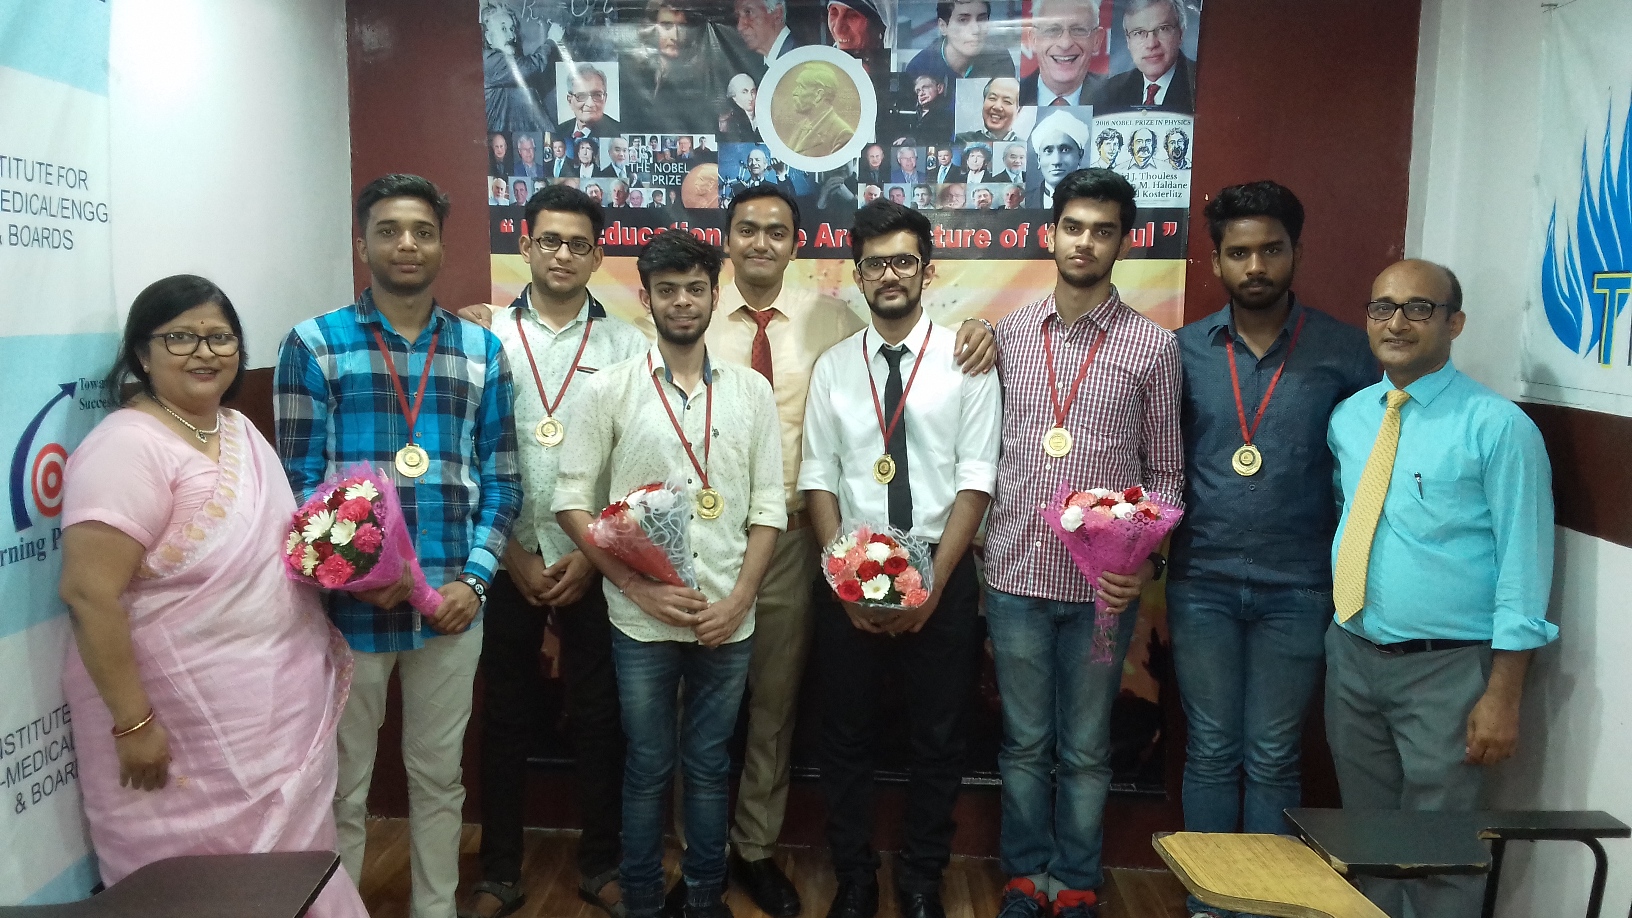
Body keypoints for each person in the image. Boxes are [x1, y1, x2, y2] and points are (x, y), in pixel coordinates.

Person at [58, 275, 369, 918]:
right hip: (174, 736)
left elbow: (273, 551)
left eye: (220, 338)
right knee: (192, 892)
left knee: (293, 877)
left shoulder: (238, 430)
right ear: (141, 353)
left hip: (272, 722)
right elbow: (89, 595)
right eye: (180, 337)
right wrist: (134, 723)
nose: (204, 352)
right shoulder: (125, 447)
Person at [274, 174, 522, 918]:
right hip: (347, 613)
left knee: (440, 778)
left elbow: (502, 480)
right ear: (363, 244)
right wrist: (354, 576)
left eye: (422, 231)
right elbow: (297, 485)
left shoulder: (481, 350)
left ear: (442, 245)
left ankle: (434, 909)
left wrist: (474, 583)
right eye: (388, 230)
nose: (406, 244)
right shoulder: (314, 344)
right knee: (343, 785)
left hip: (450, 607)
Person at [554, 229, 786, 918]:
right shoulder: (609, 390)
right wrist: (633, 587)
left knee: (710, 764)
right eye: (667, 290)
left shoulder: (751, 391)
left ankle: (707, 898)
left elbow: (769, 508)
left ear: (715, 295)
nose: (682, 302)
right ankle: (643, 900)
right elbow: (571, 500)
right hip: (640, 620)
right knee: (648, 764)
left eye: (694, 289)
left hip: (726, 616)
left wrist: (740, 599)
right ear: (646, 299)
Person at [1168, 182, 1376, 918]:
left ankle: (1264, 906)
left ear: (1296, 252)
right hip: (1202, 582)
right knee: (1211, 748)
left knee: (1274, 755)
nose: (1255, 265)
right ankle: (1208, 904)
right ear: (1216, 262)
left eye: (1270, 249)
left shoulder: (1348, 352)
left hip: (1301, 587)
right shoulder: (1184, 351)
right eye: (1238, 252)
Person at [1325, 259, 1557, 918]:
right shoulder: (1349, 418)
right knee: (1365, 843)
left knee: (1442, 854)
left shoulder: (1499, 428)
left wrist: (1504, 693)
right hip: (1353, 655)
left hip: (1449, 671)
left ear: (1454, 323)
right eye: (1383, 307)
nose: (1397, 322)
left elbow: (1525, 567)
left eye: (1419, 308)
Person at [985, 169, 1182, 918]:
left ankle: (1076, 881)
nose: (1085, 242)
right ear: (1051, 234)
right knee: (1024, 743)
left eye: (1103, 231)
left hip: (1104, 594)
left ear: (1124, 243)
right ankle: (1023, 876)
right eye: (1073, 227)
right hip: (1014, 579)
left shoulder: (1152, 347)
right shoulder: (1008, 335)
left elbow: (1167, 476)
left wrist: (1145, 561)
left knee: (1088, 748)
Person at [801, 200, 1001, 918]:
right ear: (857, 275)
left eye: (903, 261)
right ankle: (854, 877)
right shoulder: (834, 367)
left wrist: (934, 586)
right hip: (850, 568)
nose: (890, 275)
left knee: (939, 738)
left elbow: (977, 478)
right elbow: (819, 477)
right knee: (844, 736)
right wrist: (843, 578)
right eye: (875, 264)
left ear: (927, 270)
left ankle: (922, 879)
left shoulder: (965, 361)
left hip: (942, 567)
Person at [463, 186, 652, 918]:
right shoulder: (486, 337)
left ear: (598, 256)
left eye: (578, 244)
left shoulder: (627, 344)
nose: (563, 255)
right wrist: (510, 552)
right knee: (505, 713)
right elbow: (469, 449)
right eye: (550, 241)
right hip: (506, 551)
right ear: (526, 248)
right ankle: (500, 871)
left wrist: (592, 553)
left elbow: (637, 460)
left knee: (602, 714)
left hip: (592, 557)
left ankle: (602, 863)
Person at [1100, 0, 1196, 113]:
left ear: (1180, 34)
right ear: (1128, 40)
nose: (1151, 44)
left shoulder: (1200, 82)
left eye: (1163, 29)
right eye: (1139, 32)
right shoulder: (1111, 91)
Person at [483, 2, 559, 134]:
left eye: (512, 29)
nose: (511, 36)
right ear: (489, 38)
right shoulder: (490, 61)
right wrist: (551, 40)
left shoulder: (509, 65)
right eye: (503, 29)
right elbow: (532, 66)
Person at [904, 0, 1016, 86]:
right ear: (943, 26)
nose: (976, 29)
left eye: (982, 19)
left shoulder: (1000, 60)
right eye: (963, 20)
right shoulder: (919, 68)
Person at [1019, 0, 1106, 107]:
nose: (1065, 44)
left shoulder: (1117, 97)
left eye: (1078, 30)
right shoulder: (1012, 93)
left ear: (1097, 40)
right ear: (1033, 39)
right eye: (1052, 30)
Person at [783, 63, 858, 158]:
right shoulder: (800, 127)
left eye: (801, 87)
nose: (794, 92)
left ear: (819, 95)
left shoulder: (842, 135)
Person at [1024, 111, 1087, 209]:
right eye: (1048, 151)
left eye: (1065, 150)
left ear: (1080, 155)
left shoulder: (1092, 202)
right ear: (1038, 159)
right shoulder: (1023, 202)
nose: (1056, 161)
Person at [558, 64, 623, 142]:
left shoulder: (619, 132)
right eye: (581, 96)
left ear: (605, 98)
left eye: (597, 95)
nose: (590, 104)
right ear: (570, 100)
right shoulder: (559, 130)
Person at [954, 77, 1021, 144]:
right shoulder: (960, 141)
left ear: (1018, 110)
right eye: (992, 98)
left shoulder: (1024, 146)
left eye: (1007, 101)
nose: (997, 107)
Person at [894, 74, 955, 146]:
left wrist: (910, 140)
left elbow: (936, 138)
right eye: (918, 91)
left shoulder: (946, 114)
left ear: (940, 88)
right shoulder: (914, 116)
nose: (921, 94)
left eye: (925, 88)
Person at [735, 0, 802, 62]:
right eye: (738, 16)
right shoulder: (773, 61)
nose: (740, 27)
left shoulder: (798, 60)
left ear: (777, 14)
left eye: (748, 12)